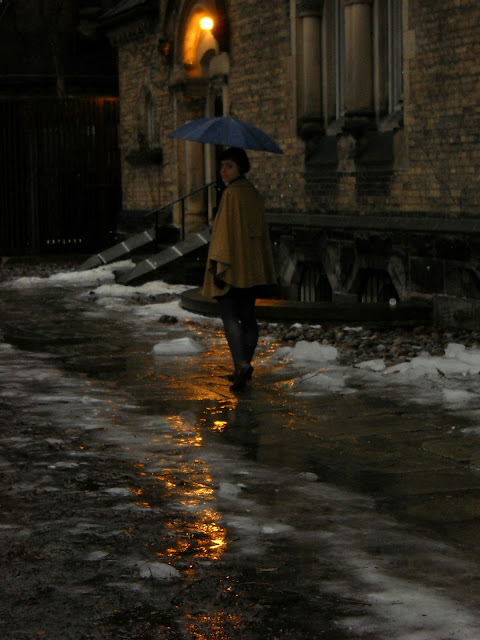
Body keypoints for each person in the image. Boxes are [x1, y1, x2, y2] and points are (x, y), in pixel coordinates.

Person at [202, 147, 277, 391]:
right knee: (248, 316)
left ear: (240, 168)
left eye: (229, 166)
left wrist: (218, 266)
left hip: (232, 266)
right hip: (250, 267)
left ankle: (241, 365)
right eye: (222, 165)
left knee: (230, 315)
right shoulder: (252, 193)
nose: (223, 171)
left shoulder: (231, 194)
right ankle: (242, 367)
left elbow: (223, 235)